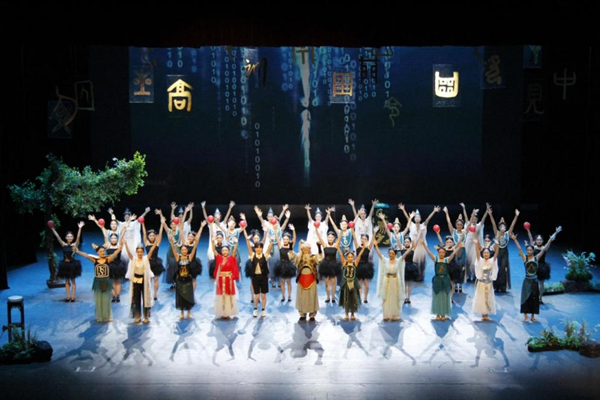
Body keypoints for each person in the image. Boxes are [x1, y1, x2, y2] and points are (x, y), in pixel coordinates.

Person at [512, 228, 560, 321]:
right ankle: (526, 316)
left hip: (534, 280)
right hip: (527, 281)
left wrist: (552, 236)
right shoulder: (524, 258)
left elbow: (544, 249)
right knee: (525, 297)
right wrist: (515, 240)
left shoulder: (536, 258)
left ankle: (533, 316)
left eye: (531, 250)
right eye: (528, 250)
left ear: (533, 251)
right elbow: (519, 249)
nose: (529, 252)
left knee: (534, 298)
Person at [74, 233, 125, 322]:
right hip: (98, 281)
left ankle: (107, 316)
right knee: (98, 299)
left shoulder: (107, 259)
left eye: (103, 251)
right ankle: (99, 316)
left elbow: (115, 253)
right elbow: (86, 255)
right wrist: (78, 252)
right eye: (100, 251)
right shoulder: (95, 260)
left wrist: (120, 247)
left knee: (105, 298)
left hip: (105, 281)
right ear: (97, 252)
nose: (102, 252)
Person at [168, 219, 205, 319]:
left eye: (185, 250)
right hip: (181, 276)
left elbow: (196, 241)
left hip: (190, 270)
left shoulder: (190, 255)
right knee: (180, 294)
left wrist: (201, 227)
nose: (184, 251)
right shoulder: (179, 255)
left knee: (190, 290)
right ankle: (181, 312)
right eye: (183, 250)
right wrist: (172, 239)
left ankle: (189, 309)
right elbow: (174, 247)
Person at [373, 230, 413, 321]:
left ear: (395, 254)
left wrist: (411, 247)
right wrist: (376, 245)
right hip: (387, 281)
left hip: (395, 282)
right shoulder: (386, 260)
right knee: (387, 298)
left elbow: (405, 254)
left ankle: (395, 314)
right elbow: (379, 255)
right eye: (389, 253)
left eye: (392, 253)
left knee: (395, 297)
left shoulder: (398, 260)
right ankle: (386, 314)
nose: (391, 255)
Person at [420, 239, 463, 321]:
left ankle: (443, 313)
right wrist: (424, 245)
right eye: (440, 252)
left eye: (443, 252)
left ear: (445, 253)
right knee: (437, 297)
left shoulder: (447, 260)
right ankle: (437, 313)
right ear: (438, 253)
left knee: (444, 297)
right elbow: (429, 252)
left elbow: (453, 254)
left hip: (445, 280)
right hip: (437, 280)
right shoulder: (435, 259)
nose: (441, 254)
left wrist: (459, 247)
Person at [210, 223, 240, 319]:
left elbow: (234, 251)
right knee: (221, 296)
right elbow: (213, 250)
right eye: (223, 250)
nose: (224, 252)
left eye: (226, 250)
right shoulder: (219, 258)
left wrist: (236, 243)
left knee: (229, 296)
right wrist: (212, 241)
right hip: (221, 279)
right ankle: (222, 312)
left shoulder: (231, 258)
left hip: (229, 280)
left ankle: (228, 312)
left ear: (228, 251)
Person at [526, 224, 563, 304]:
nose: (539, 241)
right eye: (538, 240)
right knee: (533, 283)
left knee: (541, 283)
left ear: (542, 241)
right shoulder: (533, 247)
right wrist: (528, 230)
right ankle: (533, 297)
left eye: (540, 240)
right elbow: (530, 238)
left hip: (542, 267)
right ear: (536, 241)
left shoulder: (544, 248)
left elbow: (550, 240)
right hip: (534, 266)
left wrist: (556, 232)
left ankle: (540, 298)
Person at [124, 240, 157, 324]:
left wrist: (155, 242)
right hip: (136, 281)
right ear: (136, 252)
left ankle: (146, 317)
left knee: (146, 298)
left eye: (141, 252)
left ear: (143, 252)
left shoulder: (145, 259)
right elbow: (129, 253)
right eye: (138, 252)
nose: (139, 253)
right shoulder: (134, 259)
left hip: (144, 281)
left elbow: (151, 250)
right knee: (136, 299)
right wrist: (126, 244)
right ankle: (138, 316)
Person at [488, 206, 519, 293]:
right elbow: (493, 224)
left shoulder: (507, 234)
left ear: (505, 227)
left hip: (504, 252)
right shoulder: (497, 232)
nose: (502, 227)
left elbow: (512, 225)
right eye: (501, 226)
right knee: (496, 268)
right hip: (497, 252)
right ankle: (496, 286)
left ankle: (502, 286)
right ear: (499, 227)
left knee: (503, 269)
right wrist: (490, 215)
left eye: (504, 226)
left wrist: (516, 216)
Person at [336, 231, 366, 321]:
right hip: (346, 283)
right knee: (346, 298)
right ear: (346, 257)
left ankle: (352, 313)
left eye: (351, 257)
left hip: (353, 283)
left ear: (353, 257)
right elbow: (340, 254)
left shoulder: (355, 263)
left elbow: (359, 255)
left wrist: (363, 247)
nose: (350, 258)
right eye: (348, 257)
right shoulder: (344, 263)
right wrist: (338, 246)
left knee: (353, 298)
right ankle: (346, 313)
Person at [290, 240, 322, 322]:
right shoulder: (299, 257)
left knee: (311, 296)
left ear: (310, 249)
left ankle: (312, 315)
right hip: (301, 280)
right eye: (304, 249)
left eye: (307, 248)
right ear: (302, 249)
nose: (306, 250)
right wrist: (290, 246)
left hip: (312, 280)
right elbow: (292, 256)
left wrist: (319, 247)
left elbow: (319, 259)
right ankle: (302, 314)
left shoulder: (313, 257)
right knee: (302, 297)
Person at [243, 228, 273, 318]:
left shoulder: (265, 255)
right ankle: (255, 309)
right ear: (255, 249)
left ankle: (263, 310)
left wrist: (271, 241)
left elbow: (269, 249)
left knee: (263, 295)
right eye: (257, 248)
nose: (259, 249)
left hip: (263, 278)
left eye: (260, 248)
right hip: (255, 278)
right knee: (256, 296)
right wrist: (247, 240)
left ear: (262, 249)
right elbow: (249, 248)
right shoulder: (252, 256)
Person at [52, 221, 84, 302]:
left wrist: (80, 228)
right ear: (66, 238)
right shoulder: (63, 244)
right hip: (65, 265)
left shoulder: (74, 245)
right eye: (68, 236)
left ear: (72, 238)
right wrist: (52, 229)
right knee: (66, 281)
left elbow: (78, 237)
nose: (69, 238)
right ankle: (68, 296)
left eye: (71, 236)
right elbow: (57, 236)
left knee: (73, 281)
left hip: (72, 264)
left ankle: (73, 297)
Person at [408, 206, 440, 281]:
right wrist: (407, 213)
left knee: (422, 261)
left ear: (420, 219)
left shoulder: (423, 226)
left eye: (418, 217)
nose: (417, 218)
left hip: (422, 246)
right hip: (414, 246)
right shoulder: (412, 225)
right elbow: (407, 218)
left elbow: (428, 219)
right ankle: (415, 275)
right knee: (414, 260)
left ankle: (421, 275)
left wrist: (434, 211)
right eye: (416, 217)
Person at [472, 234, 500, 321]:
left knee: (488, 297)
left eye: (487, 253)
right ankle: (483, 313)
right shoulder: (480, 261)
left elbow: (496, 253)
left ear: (489, 254)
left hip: (489, 283)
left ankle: (487, 313)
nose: (486, 254)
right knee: (482, 298)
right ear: (483, 254)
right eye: (484, 253)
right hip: (481, 283)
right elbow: (477, 253)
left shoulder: (492, 261)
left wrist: (497, 244)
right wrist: (476, 244)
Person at [442, 206, 469, 293]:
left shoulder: (465, 232)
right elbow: (448, 222)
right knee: (456, 268)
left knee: (462, 268)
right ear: (456, 225)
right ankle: (455, 284)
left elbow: (468, 222)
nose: (459, 226)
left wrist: (469, 212)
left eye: (461, 225)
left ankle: (460, 285)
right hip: (455, 252)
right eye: (458, 225)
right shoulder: (453, 232)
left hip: (463, 252)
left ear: (462, 225)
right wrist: (446, 213)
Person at [314, 219, 342, 303]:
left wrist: (341, 229)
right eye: (329, 237)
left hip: (334, 265)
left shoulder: (336, 245)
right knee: (327, 282)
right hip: (326, 265)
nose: (330, 238)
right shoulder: (324, 244)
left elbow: (340, 235)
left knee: (333, 282)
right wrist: (316, 228)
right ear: (327, 238)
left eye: (332, 237)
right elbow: (319, 236)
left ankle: (332, 298)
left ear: (334, 238)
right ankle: (327, 297)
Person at [143, 210, 166, 301]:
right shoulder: (146, 243)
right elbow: (144, 233)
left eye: (153, 235)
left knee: (155, 279)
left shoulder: (157, 243)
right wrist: (142, 223)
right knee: (148, 280)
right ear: (148, 237)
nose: (152, 237)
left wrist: (162, 224)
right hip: (148, 263)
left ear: (155, 236)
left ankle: (155, 294)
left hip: (156, 262)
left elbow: (160, 232)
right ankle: (148, 293)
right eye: (150, 236)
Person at [274, 228, 297, 303]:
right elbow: (277, 238)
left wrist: (293, 230)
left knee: (288, 282)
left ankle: (289, 296)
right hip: (281, 266)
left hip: (288, 266)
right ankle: (283, 296)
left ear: (289, 240)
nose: (285, 240)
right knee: (282, 282)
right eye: (284, 239)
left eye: (287, 239)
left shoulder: (290, 246)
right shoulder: (280, 246)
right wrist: (275, 230)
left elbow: (294, 238)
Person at [353, 231, 376, 304]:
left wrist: (374, 233)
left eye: (365, 239)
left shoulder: (368, 248)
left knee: (366, 284)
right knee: (359, 283)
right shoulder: (357, 247)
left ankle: (365, 298)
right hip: (359, 267)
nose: (363, 240)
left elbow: (372, 240)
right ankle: (359, 297)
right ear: (360, 239)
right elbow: (354, 238)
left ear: (367, 240)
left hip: (366, 267)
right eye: (362, 239)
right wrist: (352, 230)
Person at [243, 227, 265, 301]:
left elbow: (265, 238)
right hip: (252, 265)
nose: (256, 239)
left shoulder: (261, 244)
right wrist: (244, 229)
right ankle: (252, 297)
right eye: (255, 238)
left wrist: (266, 231)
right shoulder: (251, 245)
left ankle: (258, 297)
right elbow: (246, 239)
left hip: (260, 265)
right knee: (252, 282)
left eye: (257, 238)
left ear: (259, 238)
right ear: (253, 239)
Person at [402, 237, 419, 304]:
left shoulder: (413, 248)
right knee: (404, 284)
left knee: (410, 283)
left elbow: (416, 241)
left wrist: (419, 234)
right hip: (403, 267)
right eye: (405, 242)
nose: (406, 243)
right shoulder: (402, 248)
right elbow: (397, 240)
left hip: (411, 268)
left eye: (408, 242)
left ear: (410, 242)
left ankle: (408, 298)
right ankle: (404, 297)